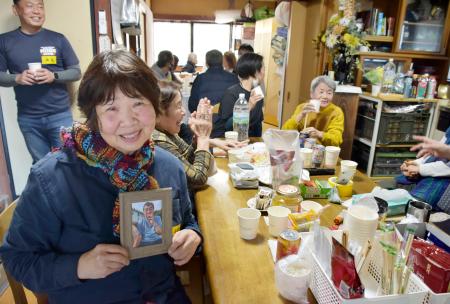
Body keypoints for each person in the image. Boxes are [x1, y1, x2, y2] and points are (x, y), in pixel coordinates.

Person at [0, 50, 201, 303]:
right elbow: (18, 258)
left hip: (163, 296)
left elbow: (187, 221)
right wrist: (79, 266)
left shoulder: (168, 166)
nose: (128, 121)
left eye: (138, 103)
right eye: (111, 108)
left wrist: (193, 237)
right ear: (93, 115)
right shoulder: (52, 178)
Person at [0, 0, 81, 163]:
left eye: (40, 6)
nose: (37, 11)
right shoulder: (4, 41)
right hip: (29, 119)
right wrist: (17, 78)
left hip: (60, 115)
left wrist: (54, 76)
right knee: (42, 165)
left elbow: (76, 71)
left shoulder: (58, 39)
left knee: (69, 162)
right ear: (16, 10)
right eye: (30, 5)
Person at [154, 81, 245, 191]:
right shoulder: (157, 141)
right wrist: (203, 138)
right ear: (158, 113)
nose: (183, 112)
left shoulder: (167, 131)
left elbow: (188, 161)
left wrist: (197, 139)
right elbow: (197, 179)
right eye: (178, 106)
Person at [211, 52, 265, 138]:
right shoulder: (231, 94)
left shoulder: (257, 92)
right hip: (232, 141)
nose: (264, 73)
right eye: (263, 69)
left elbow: (257, 125)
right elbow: (227, 126)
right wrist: (249, 107)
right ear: (255, 72)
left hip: (252, 143)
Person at [396, 126, 450, 208]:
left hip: (444, 181)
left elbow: (447, 168)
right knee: (394, 182)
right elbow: (437, 150)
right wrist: (414, 163)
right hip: (432, 169)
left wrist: (419, 169)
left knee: (413, 204)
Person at [282, 75, 344, 147]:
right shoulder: (302, 107)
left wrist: (319, 134)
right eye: (321, 92)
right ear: (312, 94)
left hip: (324, 153)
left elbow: (336, 141)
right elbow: (285, 132)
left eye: (329, 93)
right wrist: (300, 115)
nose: (325, 96)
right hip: (303, 151)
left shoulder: (336, 112)